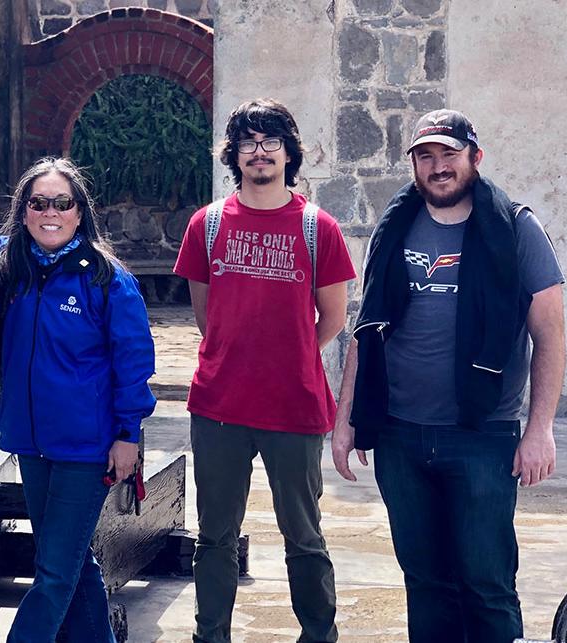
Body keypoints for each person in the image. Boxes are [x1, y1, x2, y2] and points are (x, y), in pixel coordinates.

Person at [331, 109, 566, 643]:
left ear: (474, 158)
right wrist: (346, 420)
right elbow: (367, 331)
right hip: (398, 433)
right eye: (426, 156)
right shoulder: (394, 230)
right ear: (414, 164)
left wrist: (541, 429)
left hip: (482, 436)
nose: (438, 167)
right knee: (426, 581)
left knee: (486, 582)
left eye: (449, 155)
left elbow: (550, 335)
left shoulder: (516, 229)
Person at [173, 98, 357, 643]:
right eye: (248, 142)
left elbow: (334, 316)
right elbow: (206, 315)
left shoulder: (316, 227)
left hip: (294, 406)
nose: (259, 151)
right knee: (215, 538)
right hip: (219, 407)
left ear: (288, 153)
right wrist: (240, 351)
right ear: (234, 154)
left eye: (271, 141)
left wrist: (290, 351)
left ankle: (319, 635)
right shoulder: (206, 225)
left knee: (303, 535)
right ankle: (212, 636)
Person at [0, 157, 156, 643]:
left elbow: (133, 362)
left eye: (61, 203)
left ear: (79, 213)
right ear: (23, 212)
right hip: (31, 444)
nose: (50, 212)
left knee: (53, 576)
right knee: (70, 562)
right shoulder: (12, 267)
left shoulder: (107, 280)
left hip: (86, 450)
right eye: (38, 202)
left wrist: (129, 435)